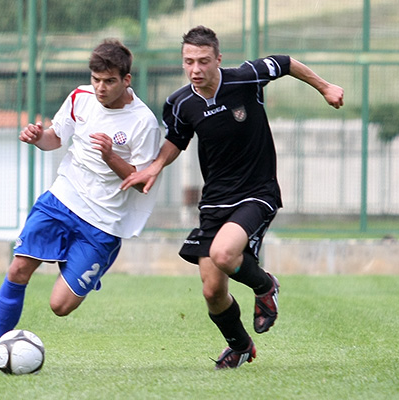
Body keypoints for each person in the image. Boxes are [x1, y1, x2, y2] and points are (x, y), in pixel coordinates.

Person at [121, 26, 344, 369]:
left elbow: (285, 62)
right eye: (188, 62)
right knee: (212, 292)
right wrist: (155, 167)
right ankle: (240, 346)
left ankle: (265, 285)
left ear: (218, 59)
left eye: (203, 61)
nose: (196, 69)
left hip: (257, 192)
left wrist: (325, 87)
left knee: (224, 254)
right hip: (214, 201)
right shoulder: (180, 103)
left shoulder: (246, 78)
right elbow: (176, 141)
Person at [0, 39, 162, 370]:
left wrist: (110, 157)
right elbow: (55, 138)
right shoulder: (80, 98)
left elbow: (142, 180)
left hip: (103, 222)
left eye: (109, 81)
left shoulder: (142, 122)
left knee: (60, 305)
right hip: (62, 198)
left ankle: (76, 263)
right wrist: (37, 137)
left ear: (126, 80)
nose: (100, 88)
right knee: (18, 268)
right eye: (95, 79)